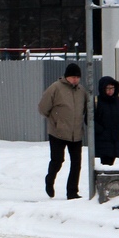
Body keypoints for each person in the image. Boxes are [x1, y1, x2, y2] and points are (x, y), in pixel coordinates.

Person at [38, 62, 87, 199]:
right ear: (66, 77)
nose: (75, 80)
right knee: (58, 160)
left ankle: (72, 192)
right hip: (57, 132)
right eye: (73, 77)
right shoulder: (55, 88)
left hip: (76, 133)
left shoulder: (82, 91)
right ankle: (50, 180)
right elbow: (43, 107)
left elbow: (86, 110)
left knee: (76, 163)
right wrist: (55, 120)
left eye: (78, 77)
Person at [93, 75, 119, 166]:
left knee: (111, 164)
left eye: (112, 88)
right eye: (108, 88)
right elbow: (89, 119)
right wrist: (100, 130)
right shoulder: (97, 101)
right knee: (104, 166)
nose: (110, 91)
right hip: (102, 140)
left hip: (116, 139)